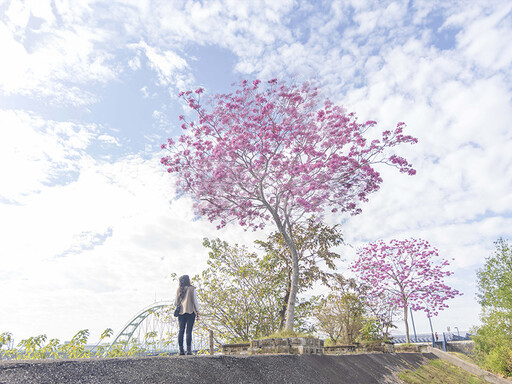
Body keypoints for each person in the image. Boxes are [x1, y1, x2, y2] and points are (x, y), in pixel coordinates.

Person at [175, 275, 199, 355]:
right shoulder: (192, 289)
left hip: (181, 312)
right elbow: (195, 301)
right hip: (190, 311)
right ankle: (189, 351)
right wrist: (198, 311)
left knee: (181, 331)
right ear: (188, 280)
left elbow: (175, 303)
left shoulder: (179, 290)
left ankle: (181, 350)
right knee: (189, 331)